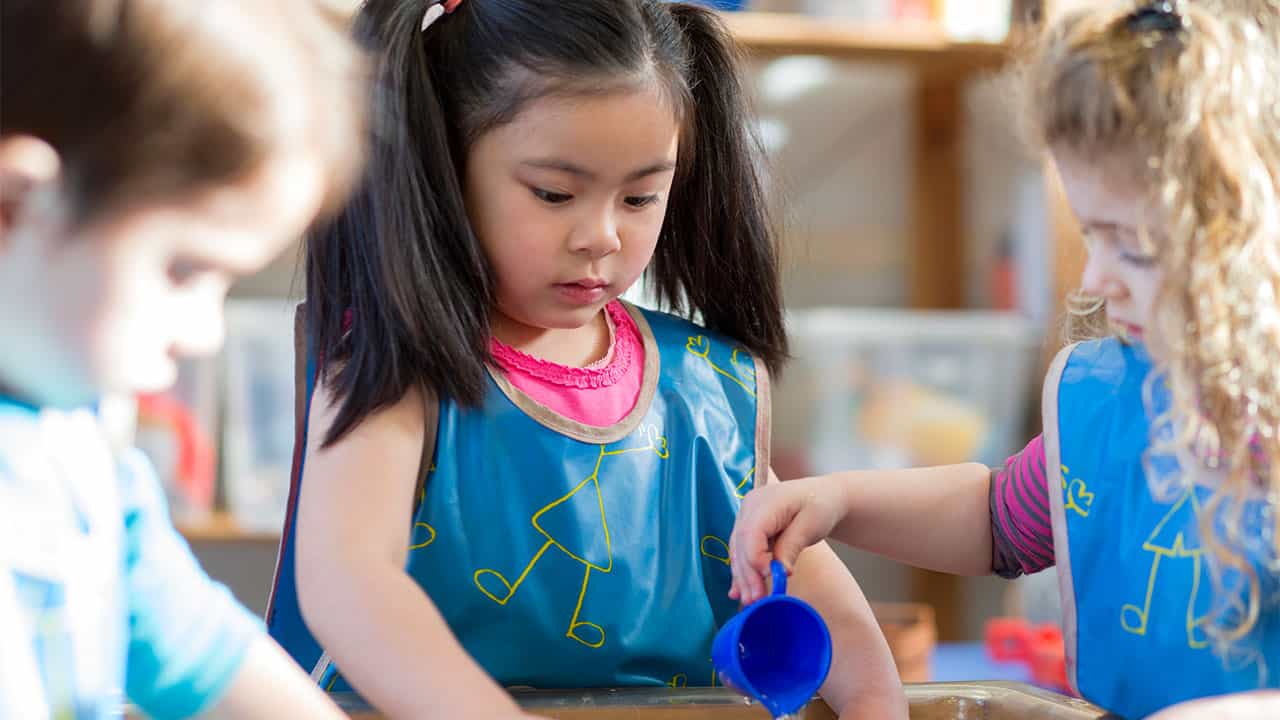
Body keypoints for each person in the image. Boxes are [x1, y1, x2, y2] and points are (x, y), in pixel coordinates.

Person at [266, 1, 907, 718]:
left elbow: (806, 582)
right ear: (446, 164)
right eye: (554, 193)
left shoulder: (701, 387)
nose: (601, 236)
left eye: (640, 197)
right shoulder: (396, 364)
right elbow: (349, 584)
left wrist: (875, 701)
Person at [727, 1, 1280, 718]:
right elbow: (1001, 521)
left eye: (1135, 246)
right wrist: (840, 500)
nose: (1095, 279)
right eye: (1092, 236)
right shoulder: (1115, 393)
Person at [0, 1, 364, 717]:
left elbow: (218, 670)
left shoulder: (87, 467)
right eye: (186, 271)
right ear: (15, 205)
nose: (204, 334)